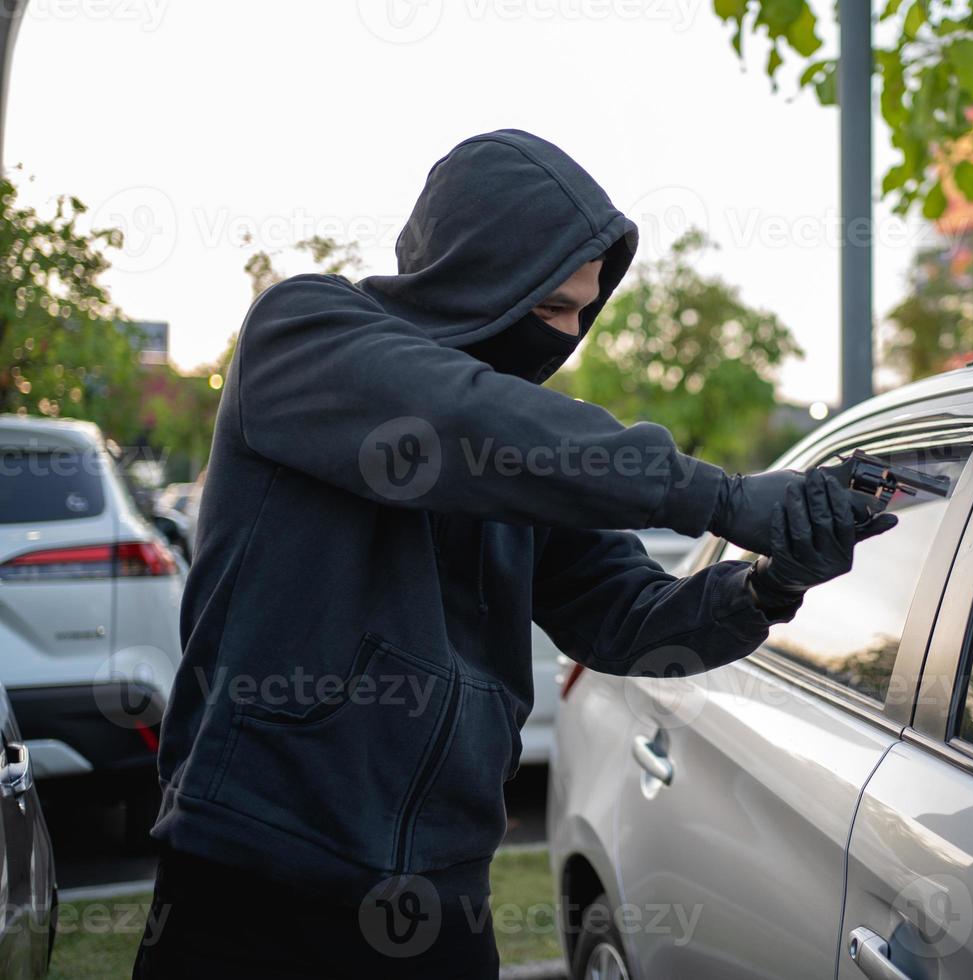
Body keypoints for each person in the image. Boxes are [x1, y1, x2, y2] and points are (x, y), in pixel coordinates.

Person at [132, 130, 896, 978]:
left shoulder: (525, 455)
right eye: (549, 308)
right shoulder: (303, 332)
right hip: (256, 877)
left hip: (441, 895)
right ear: (475, 275)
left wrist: (771, 581)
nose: (567, 336)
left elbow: (628, 619)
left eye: (583, 312)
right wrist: (721, 497)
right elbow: (452, 416)